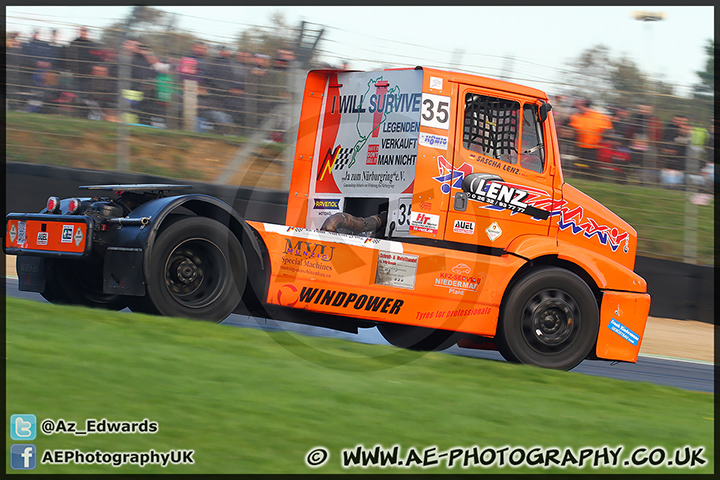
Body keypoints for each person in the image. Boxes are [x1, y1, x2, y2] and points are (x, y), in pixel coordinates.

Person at [568, 98, 613, 178]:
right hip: (578, 147)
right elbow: (571, 130)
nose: (577, 107)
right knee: (577, 165)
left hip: (594, 147)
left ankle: (591, 179)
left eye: (579, 105)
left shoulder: (599, 116)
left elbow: (608, 130)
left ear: (585, 105)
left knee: (591, 167)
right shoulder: (575, 116)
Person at [659, 115, 691, 188]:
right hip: (670, 167)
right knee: (670, 180)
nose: (685, 130)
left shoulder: (691, 143)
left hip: (683, 169)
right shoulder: (670, 135)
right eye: (683, 128)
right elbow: (667, 152)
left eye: (687, 129)